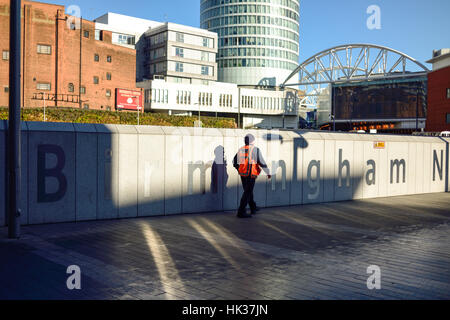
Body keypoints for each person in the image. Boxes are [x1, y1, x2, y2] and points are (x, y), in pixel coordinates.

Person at [233, 134, 271, 218]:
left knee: (248, 191)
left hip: (243, 174)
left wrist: (239, 169)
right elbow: (261, 162)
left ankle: (253, 207)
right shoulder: (255, 150)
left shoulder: (241, 149)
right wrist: (268, 172)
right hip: (250, 174)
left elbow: (234, 162)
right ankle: (241, 211)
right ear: (252, 141)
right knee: (247, 192)